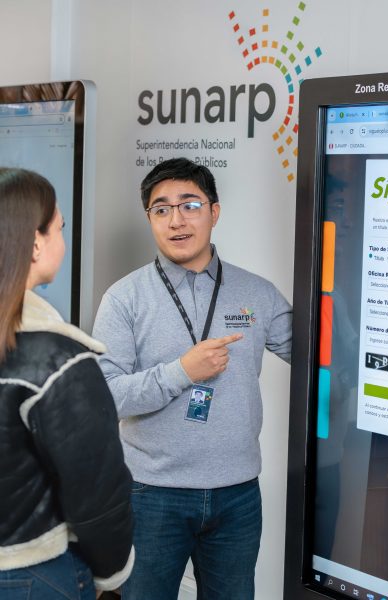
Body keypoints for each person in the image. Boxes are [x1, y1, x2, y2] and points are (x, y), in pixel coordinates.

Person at [92, 157, 292, 600]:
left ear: (214, 212)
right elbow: (104, 395)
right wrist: (180, 372)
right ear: (149, 218)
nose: (176, 221)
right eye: (161, 209)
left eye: (190, 205)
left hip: (238, 494)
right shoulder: (124, 298)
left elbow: (319, 353)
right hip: (152, 494)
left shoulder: (256, 293)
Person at [0, 167, 135, 599]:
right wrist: (111, 576)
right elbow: (97, 493)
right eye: (60, 227)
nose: (63, 239)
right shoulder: (59, 361)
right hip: (30, 574)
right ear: (35, 244)